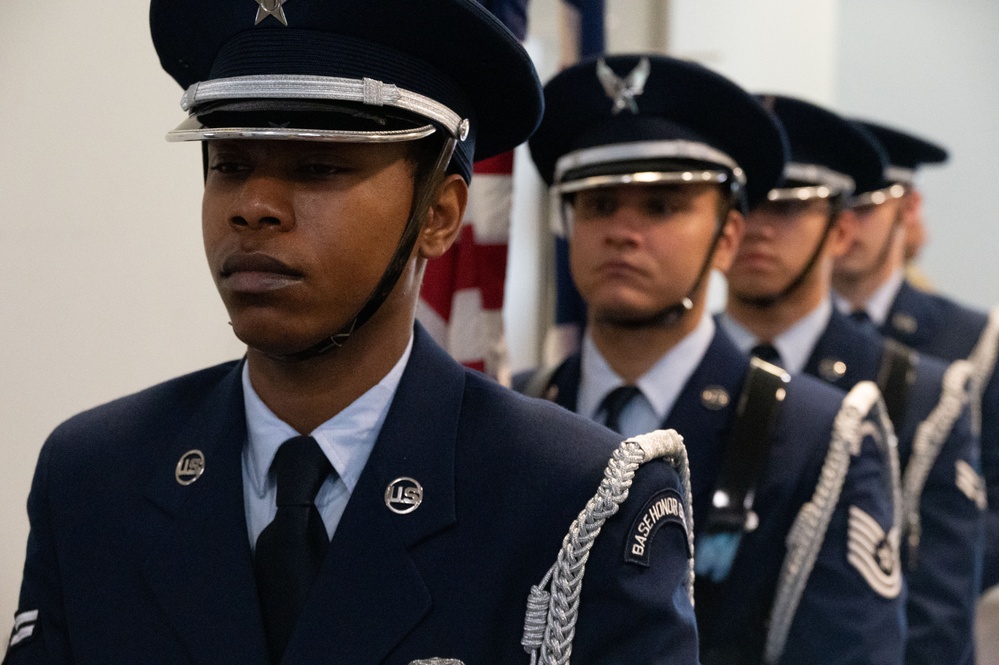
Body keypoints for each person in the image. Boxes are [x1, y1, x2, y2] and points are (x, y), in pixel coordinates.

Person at [2, 2, 701, 664]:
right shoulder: (95, 477)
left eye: (318, 166)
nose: (254, 208)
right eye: (230, 165)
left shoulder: (570, 499)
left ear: (439, 214)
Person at [518, 54, 904, 664]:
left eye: (661, 207)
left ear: (727, 239)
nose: (621, 231)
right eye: (596, 205)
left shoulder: (815, 436)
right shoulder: (517, 411)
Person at [721, 94, 984, 665]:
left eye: (788, 208)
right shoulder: (680, 373)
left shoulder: (922, 393)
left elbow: (935, 626)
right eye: (745, 204)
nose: (760, 229)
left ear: (837, 233)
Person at [832, 120, 999, 592]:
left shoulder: (974, 338)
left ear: (908, 208)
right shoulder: (780, 341)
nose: (845, 224)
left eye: (863, 207)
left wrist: (911, 580)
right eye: (833, 207)